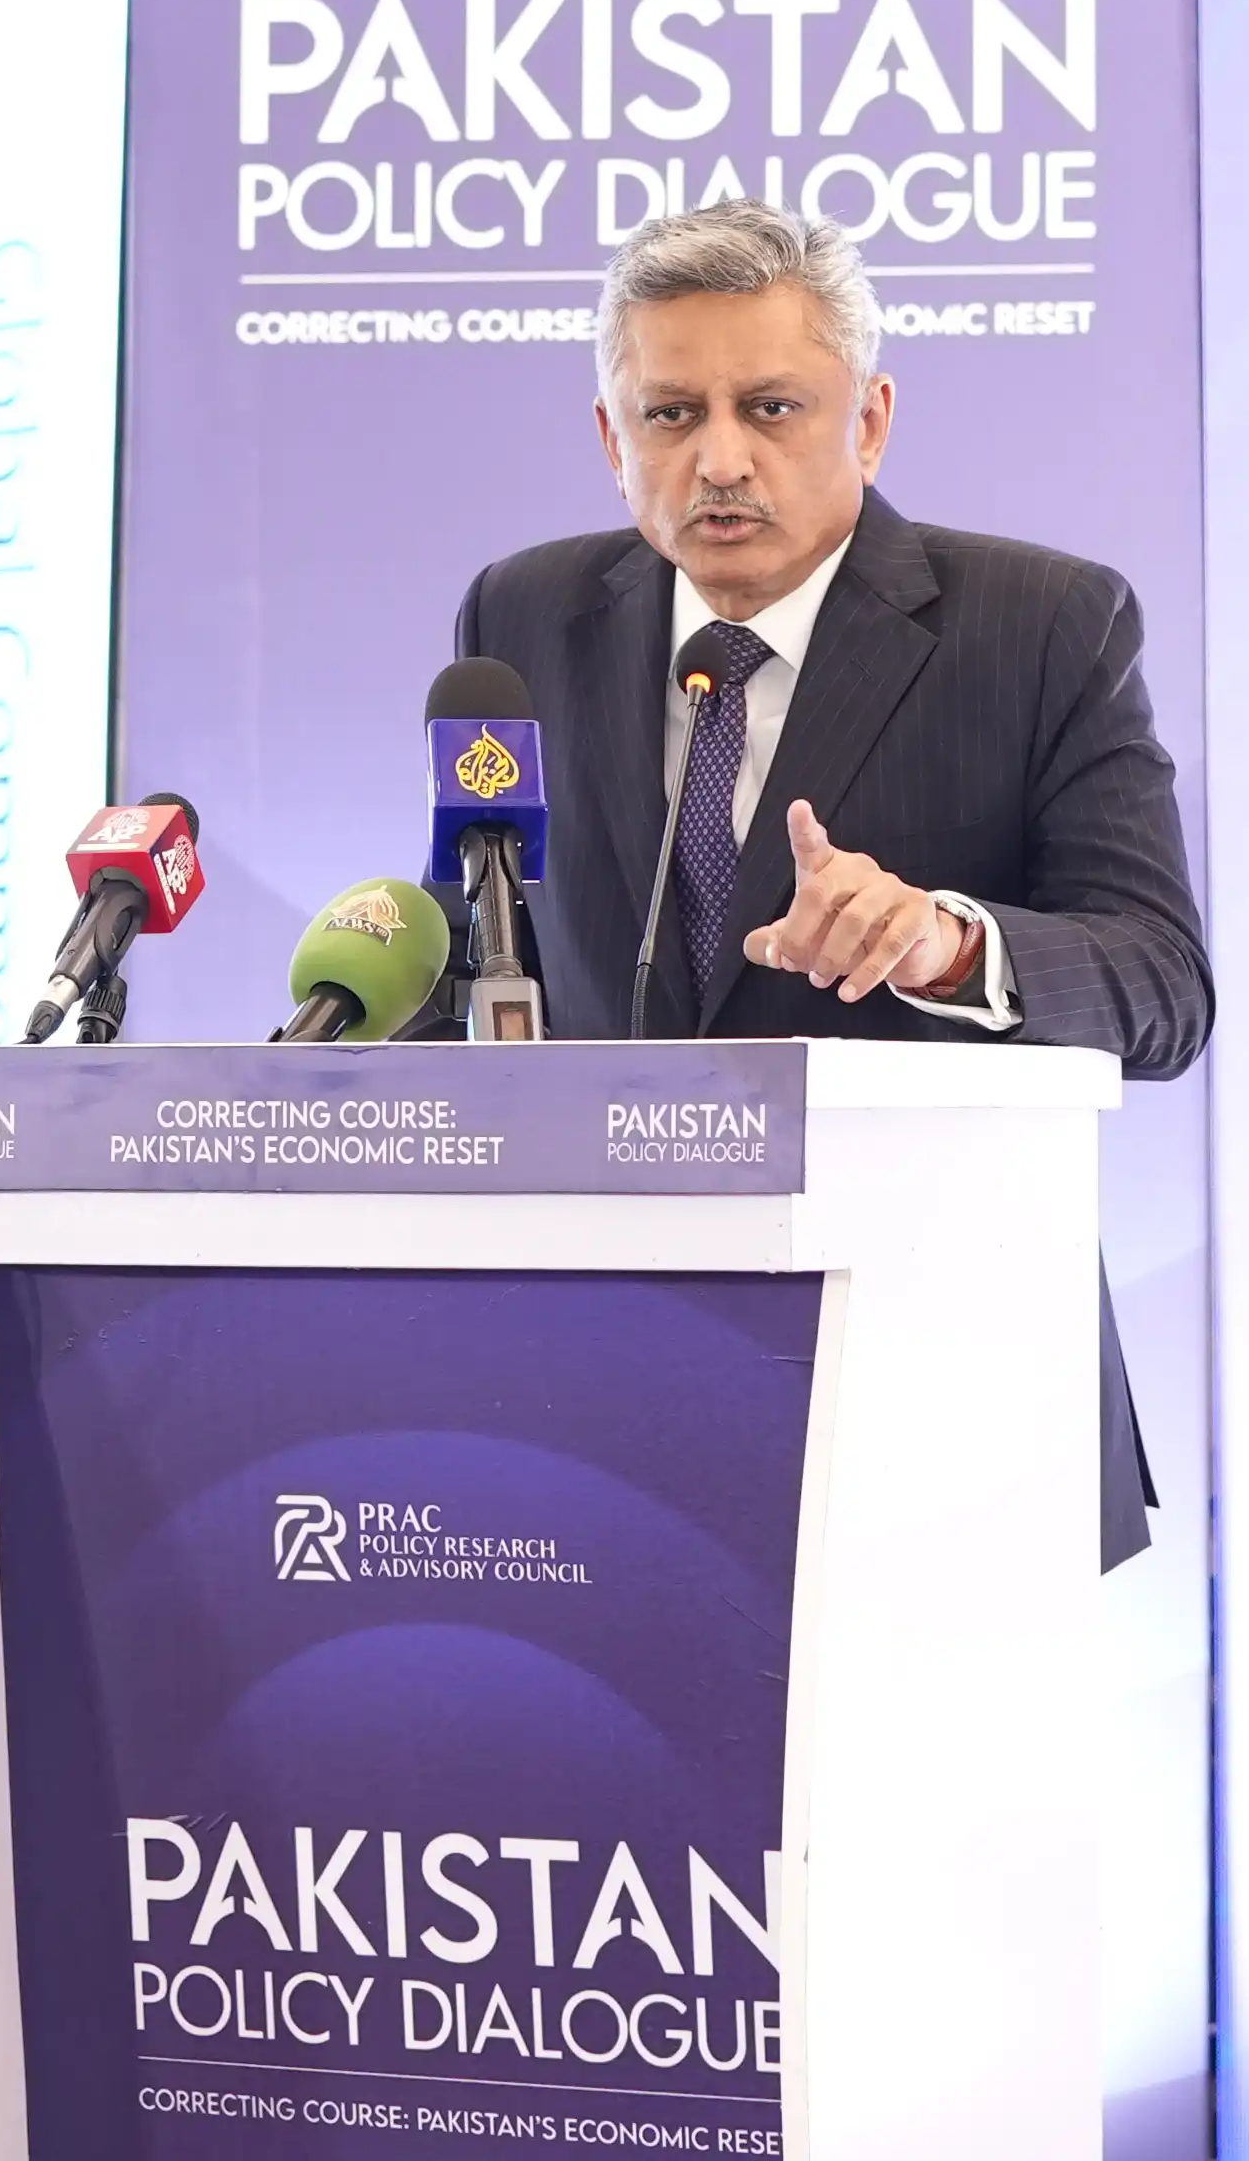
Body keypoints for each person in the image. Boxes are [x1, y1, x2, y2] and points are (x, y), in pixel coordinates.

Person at [450, 201, 1210, 1564]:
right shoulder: (520, 620)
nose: (720, 460)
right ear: (613, 439)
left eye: (772, 407)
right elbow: (482, 936)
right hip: (608, 1381)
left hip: (944, 1380)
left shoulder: (1042, 626)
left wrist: (946, 947)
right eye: (671, 414)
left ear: (870, 422)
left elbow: (1163, 992)